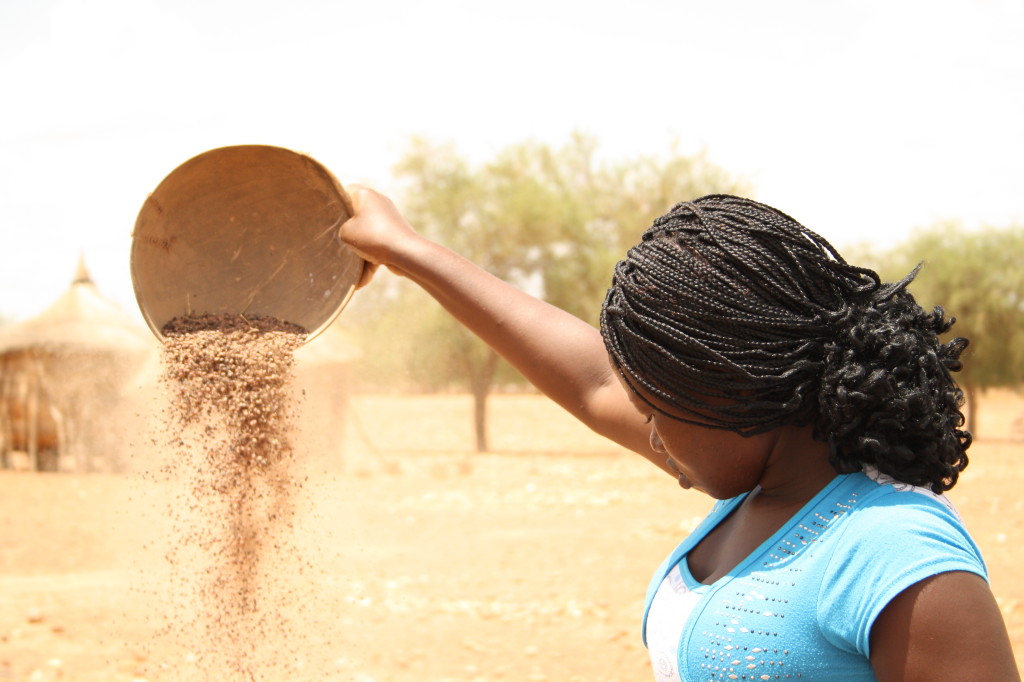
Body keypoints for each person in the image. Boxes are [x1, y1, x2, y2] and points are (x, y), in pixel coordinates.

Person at [338, 187, 1019, 681]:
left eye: (655, 407)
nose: (648, 432)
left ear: (730, 391)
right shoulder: (763, 491)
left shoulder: (893, 553)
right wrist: (406, 250)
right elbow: (590, 381)